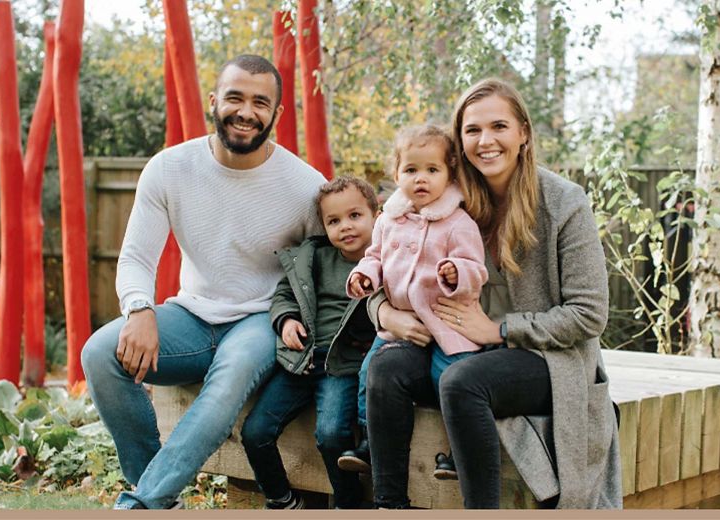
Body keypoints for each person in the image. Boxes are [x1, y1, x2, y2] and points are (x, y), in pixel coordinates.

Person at [80, 55, 327, 510]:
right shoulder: (169, 168)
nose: (246, 111)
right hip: (193, 313)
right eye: (235, 97)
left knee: (230, 377)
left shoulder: (305, 187)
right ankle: (154, 492)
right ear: (214, 101)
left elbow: (331, 268)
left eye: (260, 102)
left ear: (277, 113)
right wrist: (139, 308)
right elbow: (136, 255)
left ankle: (143, 504)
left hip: (263, 319)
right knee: (99, 353)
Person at [364, 79, 623, 509]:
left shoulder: (563, 203)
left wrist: (499, 329)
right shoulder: (442, 197)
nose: (486, 141)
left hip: (546, 357)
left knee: (463, 382)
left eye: (499, 126)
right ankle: (389, 505)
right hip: (450, 338)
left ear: (523, 133)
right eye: (472, 130)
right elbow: (383, 260)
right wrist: (383, 313)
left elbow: (588, 314)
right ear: (458, 141)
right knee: (387, 368)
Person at [337, 125, 489, 479]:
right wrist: (365, 276)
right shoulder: (388, 220)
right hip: (400, 325)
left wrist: (457, 273)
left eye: (432, 170)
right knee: (368, 374)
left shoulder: (458, 223)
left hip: (447, 322)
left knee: (452, 378)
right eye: (411, 170)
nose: (421, 179)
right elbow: (374, 257)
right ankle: (369, 443)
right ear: (396, 174)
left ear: (449, 173)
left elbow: (476, 269)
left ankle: (457, 450)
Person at [239, 177, 380, 510]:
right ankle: (282, 499)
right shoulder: (314, 258)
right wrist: (286, 320)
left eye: (355, 216)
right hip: (301, 359)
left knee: (332, 437)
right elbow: (285, 294)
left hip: (343, 365)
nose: (345, 227)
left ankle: (348, 505)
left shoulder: (386, 263)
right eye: (334, 221)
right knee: (256, 432)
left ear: (377, 214)